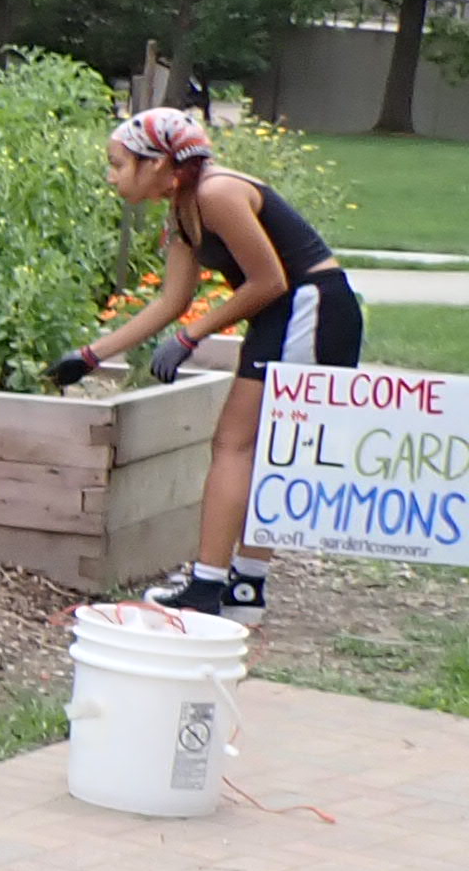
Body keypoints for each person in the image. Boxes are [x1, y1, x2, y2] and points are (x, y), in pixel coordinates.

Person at [52, 104, 362, 623]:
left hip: (312, 307)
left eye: (117, 163)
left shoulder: (216, 194)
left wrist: (192, 337)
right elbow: (171, 300)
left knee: (239, 446)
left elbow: (270, 280)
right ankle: (241, 588)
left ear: (155, 162)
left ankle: (211, 585)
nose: (110, 176)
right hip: (284, 313)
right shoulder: (182, 210)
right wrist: (89, 357)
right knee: (256, 449)